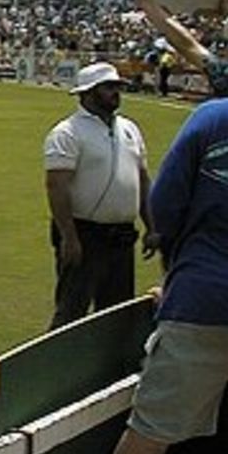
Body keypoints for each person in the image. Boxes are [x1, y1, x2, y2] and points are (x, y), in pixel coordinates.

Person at [70, 0, 228, 454]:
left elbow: (163, 211)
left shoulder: (212, 118)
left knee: (153, 429)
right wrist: (154, 11)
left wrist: (176, 278)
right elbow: (193, 48)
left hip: (204, 305)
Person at [43, 61, 159, 329]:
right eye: (108, 87)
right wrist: (69, 237)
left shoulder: (130, 129)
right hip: (84, 234)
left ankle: (109, 370)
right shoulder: (67, 133)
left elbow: (141, 179)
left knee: (117, 314)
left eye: (117, 87)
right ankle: (61, 367)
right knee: (71, 312)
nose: (116, 92)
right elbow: (56, 187)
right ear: (87, 93)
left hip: (121, 235)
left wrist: (152, 226)